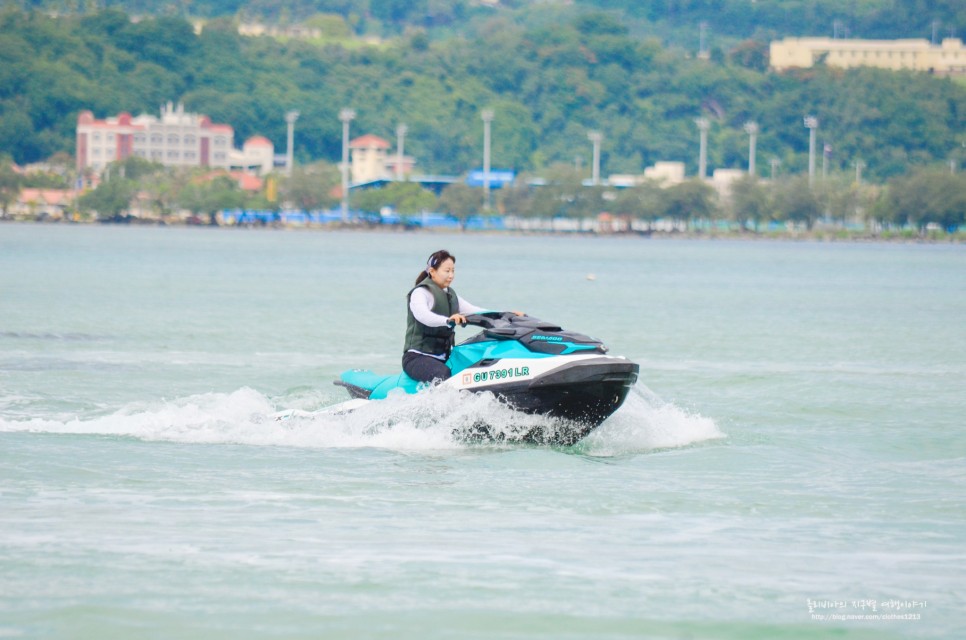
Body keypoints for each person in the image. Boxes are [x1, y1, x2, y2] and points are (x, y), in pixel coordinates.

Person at [402, 249, 489, 383]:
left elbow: (475, 311)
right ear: (432, 271)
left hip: (443, 357)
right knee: (442, 374)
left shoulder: (451, 295)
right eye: (447, 271)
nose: (451, 275)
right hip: (417, 358)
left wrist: (507, 314)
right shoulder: (420, 293)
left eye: (453, 271)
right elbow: (423, 316)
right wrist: (448, 320)